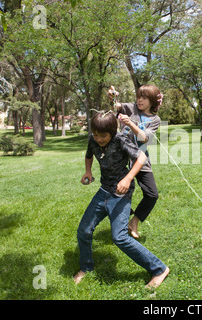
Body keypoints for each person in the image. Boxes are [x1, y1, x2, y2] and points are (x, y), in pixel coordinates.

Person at [74, 111, 169, 288]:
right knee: (84, 231)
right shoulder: (93, 139)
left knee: (119, 237)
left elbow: (142, 157)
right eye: (95, 134)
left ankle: (159, 269)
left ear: (112, 131)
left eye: (103, 135)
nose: (99, 139)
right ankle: (86, 268)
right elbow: (88, 155)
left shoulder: (120, 139)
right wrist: (88, 171)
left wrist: (127, 178)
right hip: (104, 190)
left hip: (121, 194)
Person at [107, 85, 163, 239]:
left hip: (141, 159)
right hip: (122, 158)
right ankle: (121, 222)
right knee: (117, 191)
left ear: (152, 101)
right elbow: (115, 106)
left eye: (144, 97)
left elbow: (144, 138)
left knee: (152, 194)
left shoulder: (155, 120)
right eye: (139, 96)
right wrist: (113, 96)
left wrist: (130, 123)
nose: (140, 100)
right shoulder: (131, 108)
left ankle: (134, 220)